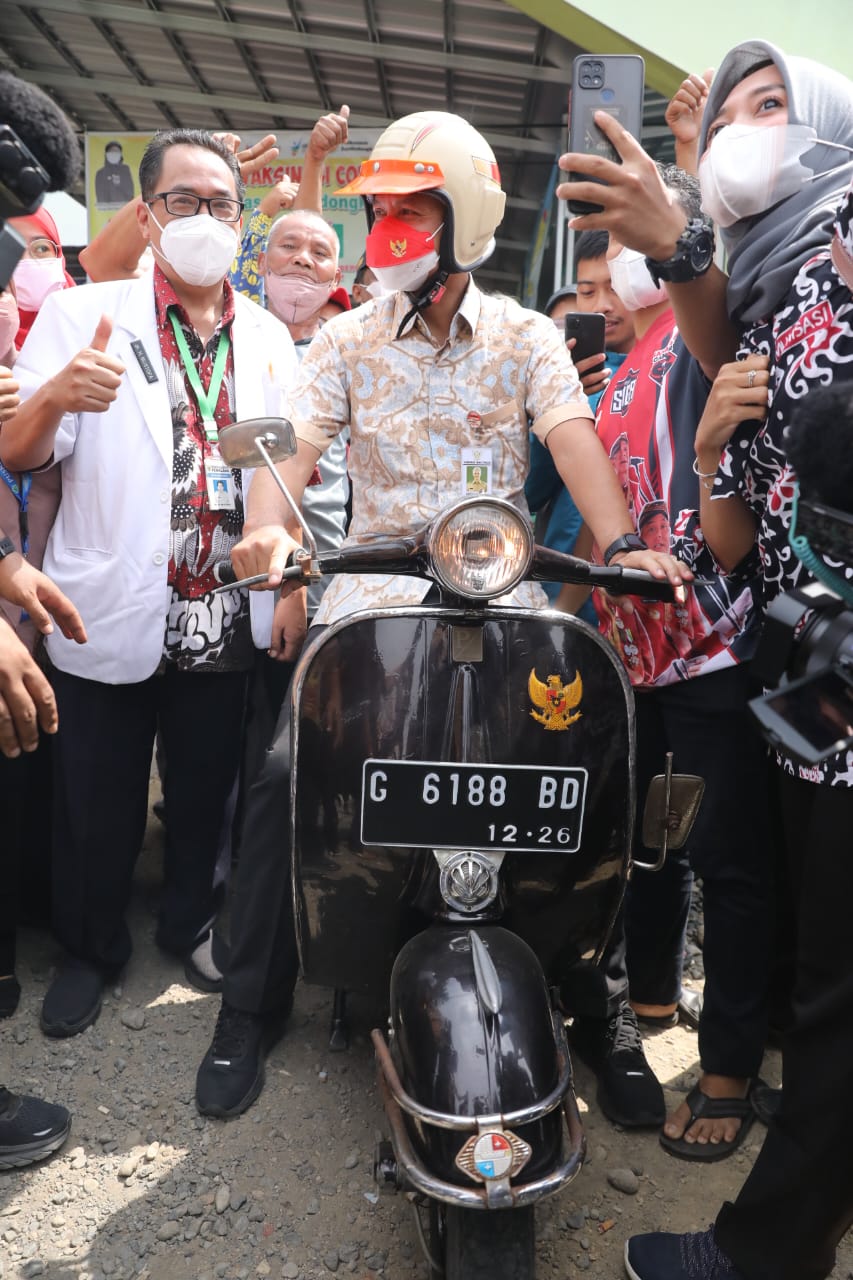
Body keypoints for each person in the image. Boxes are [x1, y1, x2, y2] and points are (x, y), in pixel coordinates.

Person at [192, 107, 691, 1121]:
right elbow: (286, 454)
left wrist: (623, 535)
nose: (390, 228)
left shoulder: (525, 337)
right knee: (286, 777)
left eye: (412, 207)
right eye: (380, 210)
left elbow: (572, 441)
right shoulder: (340, 338)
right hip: (369, 610)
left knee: (586, 775)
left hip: (499, 608)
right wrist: (269, 540)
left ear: (465, 217)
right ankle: (248, 1006)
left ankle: (597, 1009)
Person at [559, 38, 853, 1280]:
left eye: (773, 105)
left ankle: (765, 1249)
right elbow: (731, 534)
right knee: (816, 959)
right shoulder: (774, 291)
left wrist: (681, 229)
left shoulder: (838, 253)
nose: (745, 129)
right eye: (727, 112)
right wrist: (722, 442)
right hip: (804, 688)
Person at [1, 127, 297, 1039]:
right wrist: (55, 398)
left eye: (220, 204)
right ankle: (91, 951)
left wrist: (280, 570)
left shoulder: (270, 335)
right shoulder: (83, 312)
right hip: (107, 603)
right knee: (96, 793)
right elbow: (18, 452)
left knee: (204, 790)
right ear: (147, 213)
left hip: (217, 610)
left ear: (240, 222)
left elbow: (277, 475)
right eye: (183, 201)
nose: (203, 219)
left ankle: (186, 925)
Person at [564, 172, 771, 1161]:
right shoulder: (618, 359)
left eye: (621, 244)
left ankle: (727, 1065)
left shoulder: (705, 334)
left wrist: (684, 213)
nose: (605, 272)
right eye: (599, 255)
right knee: (647, 840)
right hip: (632, 655)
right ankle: (649, 991)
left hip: (713, 647)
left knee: (724, 860)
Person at [526, 231, 636, 615]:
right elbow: (529, 492)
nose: (604, 305)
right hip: (568, 604)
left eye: (616, 287)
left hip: (645, 592)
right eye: (588, 292)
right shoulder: (563, 384)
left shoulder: (677, 369)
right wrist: (550, 404)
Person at [8, 208, 76, 350]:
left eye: (41, 249)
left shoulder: (89, 321)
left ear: (58, 255)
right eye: (11, 248)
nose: (27, 261)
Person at [94, 140, 135, 207]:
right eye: (112, 152)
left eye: (116, 152)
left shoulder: (125, 170)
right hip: (106, 210)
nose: (114, 154)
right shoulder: (100, 173)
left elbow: (130, 193)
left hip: (124, 208)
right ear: (106, 154)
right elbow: (100, 196)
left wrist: (119, 184)